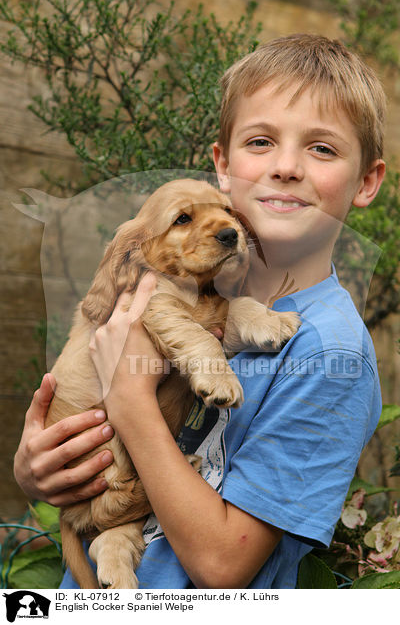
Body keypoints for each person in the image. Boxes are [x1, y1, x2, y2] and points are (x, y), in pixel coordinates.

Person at [14, 34, 386, 588]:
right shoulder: (179, 285)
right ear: (222, 165)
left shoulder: (329, 352)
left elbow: (222, 566)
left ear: (367, 181)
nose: (285, 166)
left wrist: (130, 398)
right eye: (260, 141)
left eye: (322, 148)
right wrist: (38, 471)